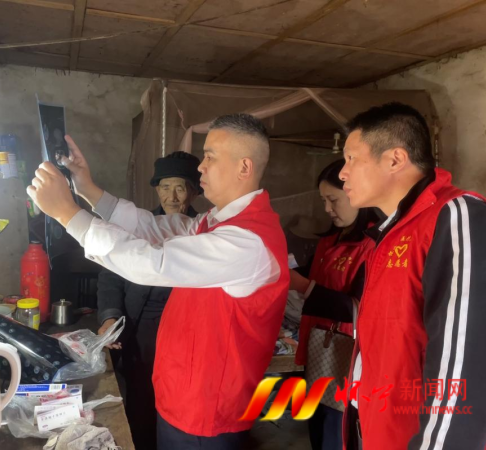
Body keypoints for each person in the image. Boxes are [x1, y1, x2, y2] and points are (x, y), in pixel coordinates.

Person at [26, 113, 289, 449]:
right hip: (184, 394)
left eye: (210, 157)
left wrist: (66, 213)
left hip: (206, 412)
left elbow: (152, 262)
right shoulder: (214, 222)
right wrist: (86, 189)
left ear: (244, 167)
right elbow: (152, 227)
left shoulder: (247, 242)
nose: (201, 167)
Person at [338, 102, 486, 449]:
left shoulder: (460, 219)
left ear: (395, 159)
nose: (342, 173)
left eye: (351, 159)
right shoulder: (391, 235)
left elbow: (465, 363)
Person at [97, 150, 201, 450]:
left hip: (182, 335)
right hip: (138, 328)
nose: (172, 196)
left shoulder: (204, 232)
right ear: (156, 188)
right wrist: (110, 316)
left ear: (194, 191)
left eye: (180, 187)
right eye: (165, 186)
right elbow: (110, 274)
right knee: (139, 400)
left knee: (175, 405)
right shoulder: (138, 226)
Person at [289, 159, 376, 450]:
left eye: (333, 200)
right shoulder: (331, 240)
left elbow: (359, 309)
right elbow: (318, 277)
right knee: (318, 428)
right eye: (323, 200)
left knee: (336, 432)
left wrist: (302, 286)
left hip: (344, 357)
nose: (327, 208)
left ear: (358, 193)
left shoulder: (373, 245)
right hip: (318, 350)